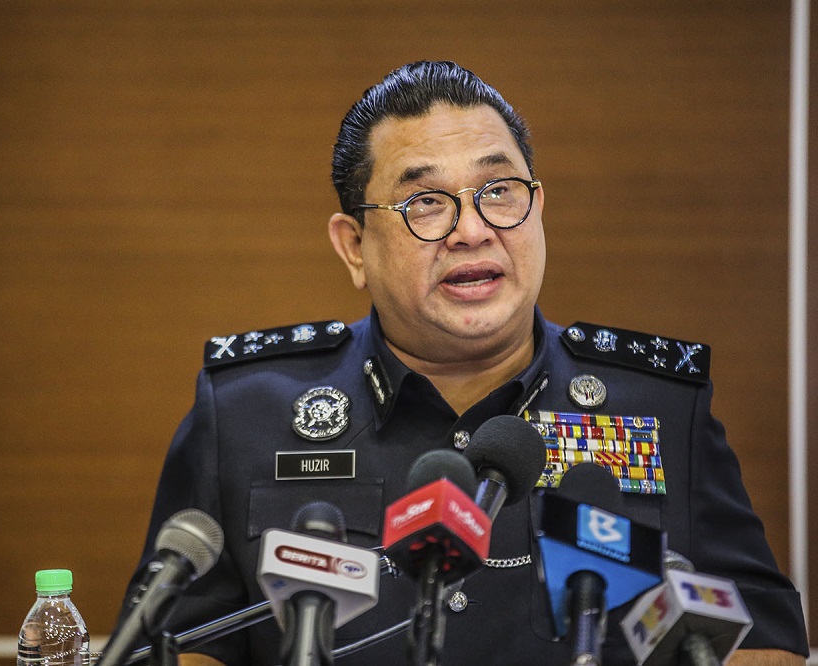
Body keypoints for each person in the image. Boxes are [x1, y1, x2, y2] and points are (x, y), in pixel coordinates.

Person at [118, 61, 809, 665]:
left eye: (499, 191)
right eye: (426, 202)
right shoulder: (245, 413)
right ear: (354, 246)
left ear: (538, 208)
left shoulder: (661, 407)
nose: (473, 230)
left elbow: (765, 640)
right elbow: (179, 642)